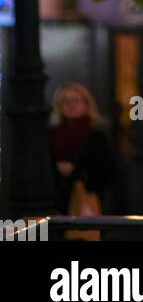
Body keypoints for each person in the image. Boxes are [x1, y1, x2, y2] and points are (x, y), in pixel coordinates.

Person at [49, 82, 114, 229]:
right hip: (56, 205)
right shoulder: (51, 135)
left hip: (87, 200)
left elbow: (107, 171)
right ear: (59, 106)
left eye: (76, 101)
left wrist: (77, 172)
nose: (71, 106)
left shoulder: (96, 136)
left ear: (86, 105)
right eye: (66, 101)